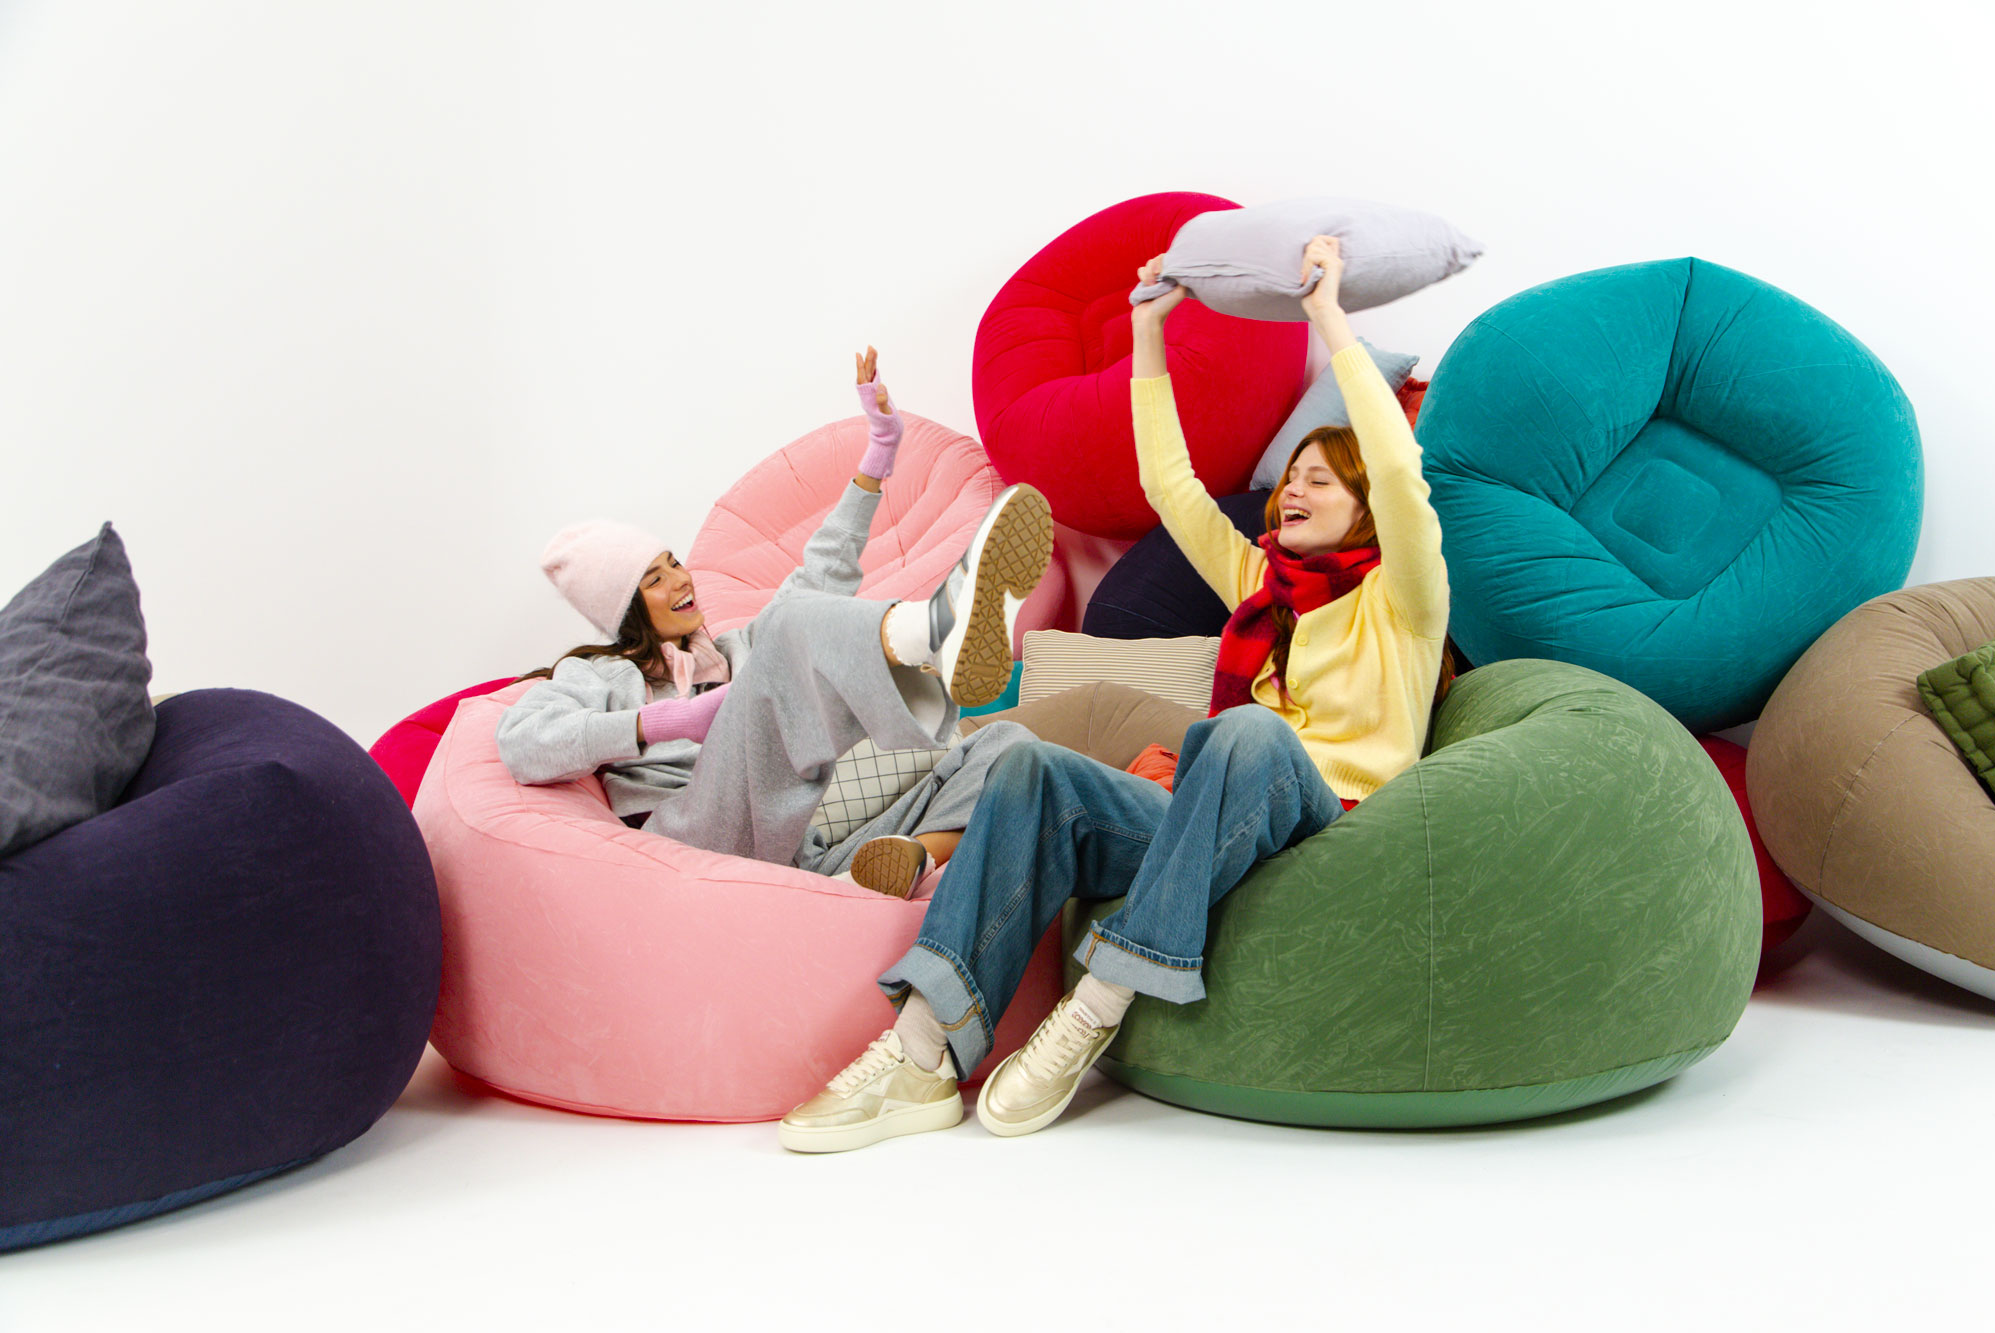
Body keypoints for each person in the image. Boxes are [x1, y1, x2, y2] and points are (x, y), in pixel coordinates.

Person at [781, 237, 1450, 1151]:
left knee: (1249, 734)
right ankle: (922, 1053)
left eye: (1320, 479)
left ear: (1367, 506)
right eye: (1290, 476)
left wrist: (1327, 315)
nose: (1293, 488)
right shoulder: (1262, 586)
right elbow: (1170, 488)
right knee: (1031, 770)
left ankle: (1098, 1001)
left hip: (1327, 821)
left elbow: (1404, 474)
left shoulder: (1405, 601)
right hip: (1208, 818)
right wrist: (1147, 334)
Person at [497, 349, 1052, 899]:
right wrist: (671, 720)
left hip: (792, 851)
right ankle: (932, 634)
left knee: (1007, 747)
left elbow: (821, 573)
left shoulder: (737, 651)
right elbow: (521, 745)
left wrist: (879, 452)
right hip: (692, 840)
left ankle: (889, 869)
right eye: (654, 579)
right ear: (626, 610)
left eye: (674, 562)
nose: (681, 579)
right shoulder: (598, 675)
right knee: (789, 625)